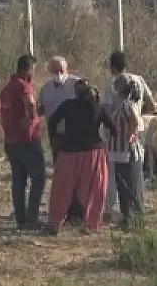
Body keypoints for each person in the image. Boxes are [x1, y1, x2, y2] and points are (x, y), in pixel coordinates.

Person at [44, 79, 115, 235]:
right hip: (94, 153)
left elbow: (52, 121)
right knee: (95, 188)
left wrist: (54, 138)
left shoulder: (68, 105)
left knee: (62, 188)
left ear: (75, 92)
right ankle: (92, 223)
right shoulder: (97, 108)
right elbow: (113, 128)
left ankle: (55, 222)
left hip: (68, 151)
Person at [102, 50, 155, 222]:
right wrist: (138, 116)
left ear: (112, 66)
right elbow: (151, 105)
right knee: (136, 173)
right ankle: (137, 210)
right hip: (137, 135)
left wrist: (124, 125)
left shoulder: (113, 83)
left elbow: (107, 111)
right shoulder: (139, 79)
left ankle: (121, 212)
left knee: (120, 177)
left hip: (120, 139)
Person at [0, 54, 46, 230]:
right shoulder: (23, 86)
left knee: (18, 181)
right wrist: (32, 117)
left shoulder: (6, 89)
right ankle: (32, 218)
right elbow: (31, 104)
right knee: (38, 178)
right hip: (27, 139)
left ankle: (21, 219)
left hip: (11, 141)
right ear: (28, 69)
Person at [36, 56, 84, 224]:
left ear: (67, 69)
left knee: (78, 176)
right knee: (63, 176)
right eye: (55, 71)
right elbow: (39, 110)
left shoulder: (77, 84)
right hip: (56, 137)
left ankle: (78, 212)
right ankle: (64, 211)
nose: (58, 74)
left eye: (61, 71)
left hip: (76, 136)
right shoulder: (46, 89)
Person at [107, 73, 144, 229]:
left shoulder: (126, 105)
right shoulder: (122, 105)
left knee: (129, 186)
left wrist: (130, 136)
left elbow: (134, 121)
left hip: (125, 152)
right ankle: (128, 218)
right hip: (119, 152)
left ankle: (133, 219)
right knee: (125, 185)